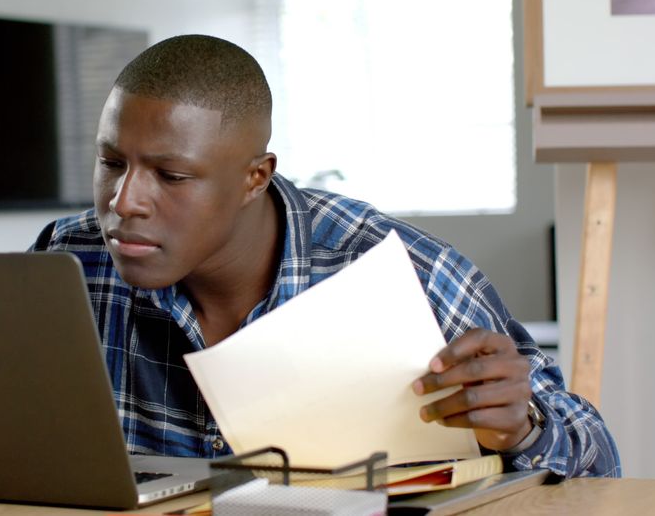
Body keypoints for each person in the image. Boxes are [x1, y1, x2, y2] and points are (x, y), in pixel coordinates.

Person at [31, 34, 620, 478]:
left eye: (172, 175)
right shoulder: (66, 263)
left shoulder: (406, 272)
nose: (124, 200)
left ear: (254, 178)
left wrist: (523, 429)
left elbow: (602, 467)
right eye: (111, 163)